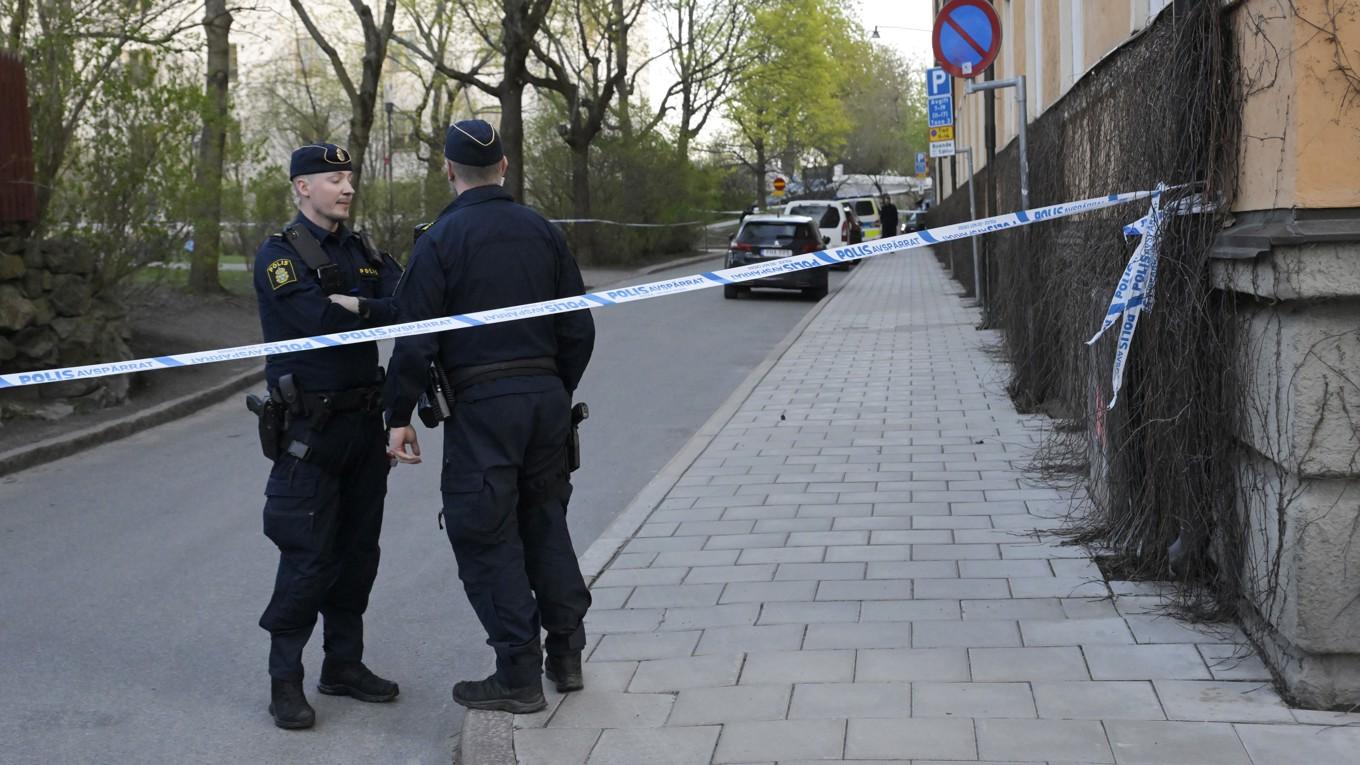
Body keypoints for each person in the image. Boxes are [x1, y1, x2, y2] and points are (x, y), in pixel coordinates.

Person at [383, 120, 596, 714]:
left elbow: (415, 339)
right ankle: (568, 656)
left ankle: (518, 675)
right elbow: (578, 326)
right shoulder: (544, 232)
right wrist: (553, 387)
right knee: (545, 522)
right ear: (504, 167)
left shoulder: (438, 242)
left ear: (449, 172)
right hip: (547, 402)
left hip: (481, 411)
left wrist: (397, 415)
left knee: (485, 533)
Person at [252, 143, 404, 730]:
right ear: (301, 188)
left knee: (358, 556)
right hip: (309, 433)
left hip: (364, 428)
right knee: (307, 559)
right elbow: (316, 320)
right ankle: (284, 679)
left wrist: (359, 303)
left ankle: (343, 664)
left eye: (348, 177)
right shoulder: (279, 256)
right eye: (332, 178)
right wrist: (372, 310)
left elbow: (411, 305)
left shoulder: (363, 249)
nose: (345, 187)